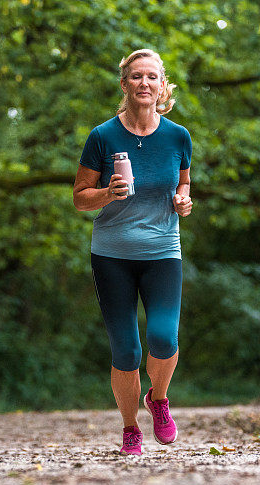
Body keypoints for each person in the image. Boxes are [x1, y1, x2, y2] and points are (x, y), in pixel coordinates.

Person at [72, 49, 193, 456]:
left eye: (152, 77)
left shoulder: (178, 136)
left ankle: (158, 399)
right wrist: (107, 193)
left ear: (163, 86)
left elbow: (185, 182)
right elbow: (79, 198)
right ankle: (130, 429)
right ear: (125, 85)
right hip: (112, 256)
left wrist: (182, 199)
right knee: (126, 349)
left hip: (162, 252)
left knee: (163, 336)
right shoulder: (103, 137)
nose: (145, 83)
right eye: (137, 77)